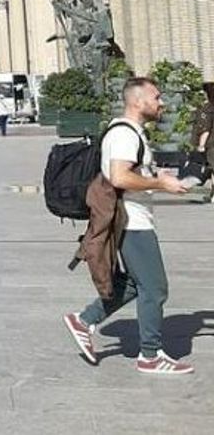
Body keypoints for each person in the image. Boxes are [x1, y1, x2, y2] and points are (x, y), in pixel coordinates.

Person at [63, 77, 194, 375]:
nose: (161, 103)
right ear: (137, 101)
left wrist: (156, 174)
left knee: (137, 283)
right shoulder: (124, 134)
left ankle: (84, 320)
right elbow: (119, 177)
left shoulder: (131, 133)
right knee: (155, 288)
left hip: (133, 217)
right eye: (156, 97)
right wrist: (160, 183)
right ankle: (150, 354)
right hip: (132, 221)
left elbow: (130, 172)